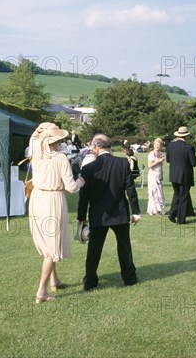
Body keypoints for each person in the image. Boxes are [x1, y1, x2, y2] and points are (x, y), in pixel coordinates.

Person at [28, 123, 85, 303]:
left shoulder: (36, 156)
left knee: (48, 243)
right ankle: (41, 292)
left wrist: (38, 131)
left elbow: (33, 140)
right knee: (52, 249)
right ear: (57, 140)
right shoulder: (60, 159)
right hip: (53, 201)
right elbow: (71, 187)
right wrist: (82, 181)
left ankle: (54, 280)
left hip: (37, 199)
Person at [77, 134, 140, 291]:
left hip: (98, 215)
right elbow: (131, 190)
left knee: (94, 249)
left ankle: (90, 281)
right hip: (120, 213)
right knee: (124, 247)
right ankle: (130, 278)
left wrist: (81, 218)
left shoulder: (87, 168)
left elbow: (83, 197)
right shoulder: (122, 163)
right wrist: (136, 212)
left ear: (97, 147)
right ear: (109, 146)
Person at [166, 126, 196, 224]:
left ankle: (172, 213)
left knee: (177, 194)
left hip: (174, 175)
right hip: (185, 175)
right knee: (183, 196)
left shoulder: (170, 146)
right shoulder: (189, 147)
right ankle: (181, 219)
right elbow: (194, 163)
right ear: (186, 136)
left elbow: (168, 160)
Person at [146, 137, 166, 216]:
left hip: (159, 175)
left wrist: (162, 160)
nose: (157, 147)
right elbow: (150, 165)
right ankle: (154, 210)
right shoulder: (151, 154)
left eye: (159, 145)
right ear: (154, 145)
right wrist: (158, 161)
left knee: (159, 192)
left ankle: (159, 209)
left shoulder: (161, 154)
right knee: (153, 192)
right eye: (156, 145)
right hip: (152, 175)